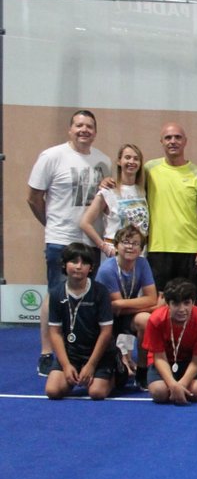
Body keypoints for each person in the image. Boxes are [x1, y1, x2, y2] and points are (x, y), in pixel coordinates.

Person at [28, 109, 111, 375]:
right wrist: (51, 225)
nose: (84, 130)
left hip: (90, 242)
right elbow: (34, 198)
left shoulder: (103, 161)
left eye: (89, 126)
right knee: (56, 295)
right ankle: (46, 352)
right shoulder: (51, 156)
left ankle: (82, 352)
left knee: (86, 296)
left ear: (95, 131)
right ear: (70, 129)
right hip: (60, 239)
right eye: (79, 125)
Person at [144, 122, 197, 291]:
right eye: (168, 137)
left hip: (190, 250)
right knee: (160, 301)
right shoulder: (149, 169)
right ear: (161, 141)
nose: (173, 141)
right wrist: (107, 182)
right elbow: (126, 184)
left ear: (185, 141)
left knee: (188, 300)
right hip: (157, 248)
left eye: (177, 137)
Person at [44, 243, 116, 400]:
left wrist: (91, 365)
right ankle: (73, 373)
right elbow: (55, 333)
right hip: (72, 354)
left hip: (99, 354)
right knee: (53, 391)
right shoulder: (56, 293)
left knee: (96, 392)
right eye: (74, 261)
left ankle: (117, 374)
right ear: (64, 264)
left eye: (84, 263)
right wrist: (66, 365)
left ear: (90, 268)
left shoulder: (100, 292)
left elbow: (106, 332)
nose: (78, 266)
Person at [95, 225, 159, 388]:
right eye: (125, 242)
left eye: (135, 243)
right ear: (116, 246)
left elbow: (150, 298)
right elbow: (115, 307)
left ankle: (143, 371)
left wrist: (122, 304)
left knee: (146, 320)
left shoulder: (142, 264)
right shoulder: (107, 270)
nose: (130, 247)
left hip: (124, 313)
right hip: (105, 318)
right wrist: (149, 305)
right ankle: (113, 364)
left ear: (141, 249)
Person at [143, 279, 197, 405]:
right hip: (164, 361)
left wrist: (182, 384)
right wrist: (173, 384)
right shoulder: (156, 320)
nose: (182, 309)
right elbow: (159, 357)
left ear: (193, 303)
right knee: (159, 392)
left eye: (186, 303)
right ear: (167, 304)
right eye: (176, 304)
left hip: (190, 362)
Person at [80, 143, 149, 256]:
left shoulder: (142, 191)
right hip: (116, 255)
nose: (132, 162)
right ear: (119, 161)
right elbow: (85, 223)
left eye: (136, 159)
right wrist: (105, 248)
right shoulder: (108, 191)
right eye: (127, 157)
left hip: (139, 255)